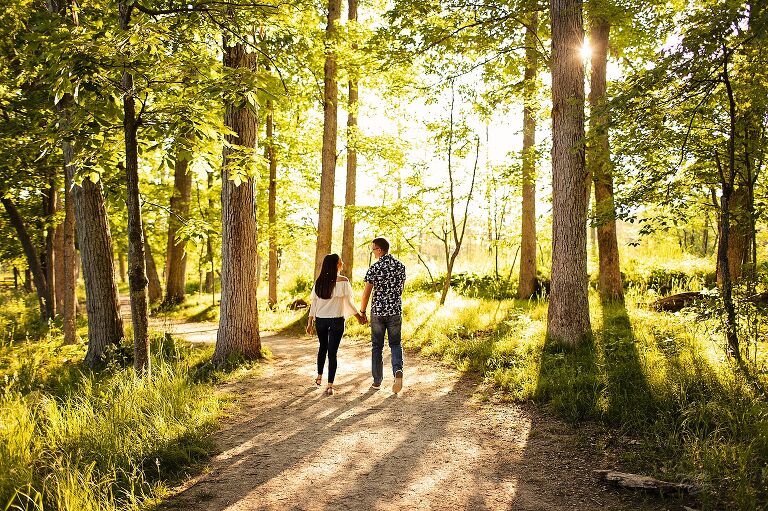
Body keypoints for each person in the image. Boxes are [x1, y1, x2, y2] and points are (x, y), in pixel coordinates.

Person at [307, 254, 365, 396]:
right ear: (336, 265)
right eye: (340, 261)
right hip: (336, 321)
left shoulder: (319, 282)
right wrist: (358, 316)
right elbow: (349, 303)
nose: (342, 263)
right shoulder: (343, 281)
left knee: (323, 348)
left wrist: (310, 323)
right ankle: (330, 386)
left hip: (321, 320)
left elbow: (313, 304)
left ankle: (319, 377)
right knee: (332, 353)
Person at [360, 237, 407, 393]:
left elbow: (366, 293)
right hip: (395, 311)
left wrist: (362, 311)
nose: (373, 252)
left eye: (373, 249)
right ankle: (397, 371)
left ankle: (377, 381)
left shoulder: (375, 267)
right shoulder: (400, 266)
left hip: (378, 312)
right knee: (395, 344)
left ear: (379, 250)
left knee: (377, 346)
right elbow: (401, 290)